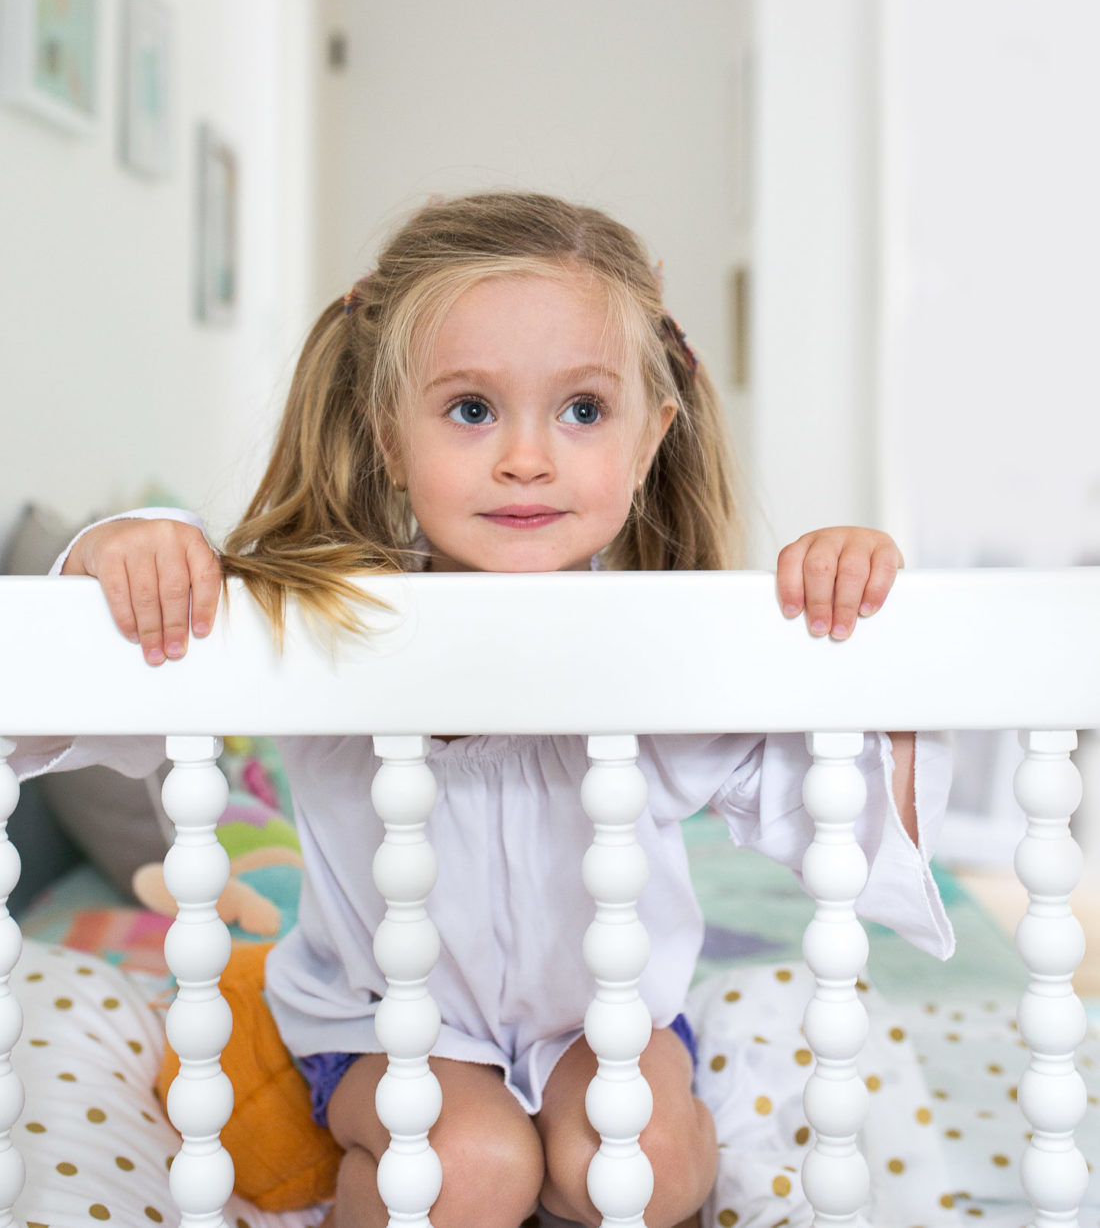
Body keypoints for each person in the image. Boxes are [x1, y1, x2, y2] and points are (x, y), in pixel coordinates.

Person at [50, 191, 951, 1228]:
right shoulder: (318, 617)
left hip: (603, 1023)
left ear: (652, 433)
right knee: (466, 1163)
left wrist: (850, 620)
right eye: (471, 411)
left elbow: (844, 807)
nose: (526, 457)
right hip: (383, 1023)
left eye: (581, 411)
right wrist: (128, 545)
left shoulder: (679, 645)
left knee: (641, 1157)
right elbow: (116, 651)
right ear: (388, 435)